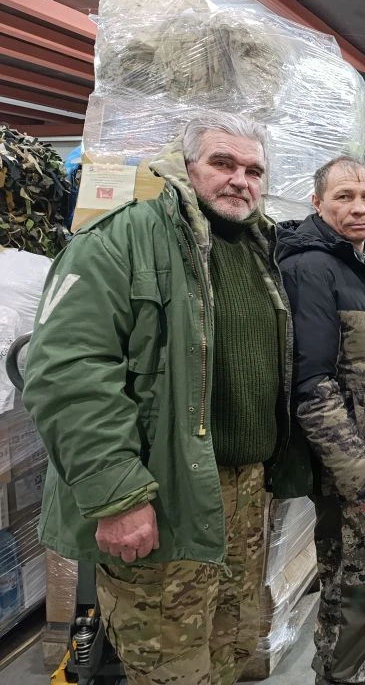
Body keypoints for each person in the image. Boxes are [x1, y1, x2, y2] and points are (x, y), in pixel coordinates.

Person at [22, 112, 299, 685]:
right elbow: (68, 371)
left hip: (244, 492)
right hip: (164, 492)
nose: (239, 179)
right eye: (222, 163)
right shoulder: (122, 238)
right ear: (185, 165)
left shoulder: (259, 248)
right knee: (170, 664)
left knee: (230, 649)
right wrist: (117, 495)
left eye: (253, 170)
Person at [276, 157, 365, 684]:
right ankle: (341, 674)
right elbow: (311, 385)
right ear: (317, 203)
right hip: (356, 471)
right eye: (344, 197)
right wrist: (358, 475)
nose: (359, 208)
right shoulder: (311, 269)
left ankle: (364, 656)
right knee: (354, 586)